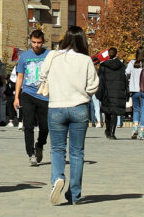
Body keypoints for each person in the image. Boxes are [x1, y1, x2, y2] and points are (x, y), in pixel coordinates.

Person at [39, 26, 99, 206]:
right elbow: (93, 86)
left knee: (57, 149)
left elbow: (42, 75)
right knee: (77, 152)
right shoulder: (86, 60)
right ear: (82, 40)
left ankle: (57, 178)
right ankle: (75, 193)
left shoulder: (53, 56)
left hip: (56, 107)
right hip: (79, 108)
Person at [14, 29, 50, 165]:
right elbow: (20, 77)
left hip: (44, 95)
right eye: (33, 42)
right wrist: (16, 97)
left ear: (43, 42)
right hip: (28, 94)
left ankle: (40, 144)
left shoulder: (49, 55)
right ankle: (31, 153)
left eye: (39, 43)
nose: (36, 45)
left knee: (45, 127)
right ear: (30, 41)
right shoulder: (24, 56)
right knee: (28, 125)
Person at [125, 46, 144, 140]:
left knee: (136, 109)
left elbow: (126, 72)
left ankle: (135, 128)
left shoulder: (132, 62)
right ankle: (142, 131)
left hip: (134, 90)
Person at [97, 47, 128, 140]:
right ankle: (112, 132)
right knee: (114, 112)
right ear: (116, 54)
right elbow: (125, 80)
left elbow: (100, 80)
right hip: (117, 92)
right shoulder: (122, 66)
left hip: (107, 92)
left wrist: (99, 93)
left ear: (108, 54)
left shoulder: (104, 66)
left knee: (107, 112)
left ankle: (107, 130)